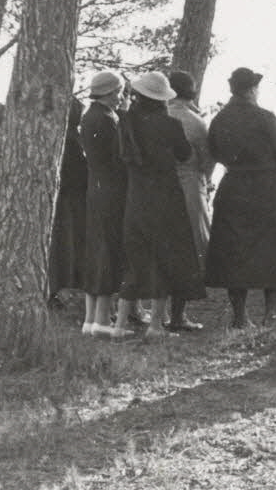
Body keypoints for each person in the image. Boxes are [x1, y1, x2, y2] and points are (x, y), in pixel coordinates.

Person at [205, 67, 276, 328]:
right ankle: (271, 314)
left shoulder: (219, 119)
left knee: (235, 250)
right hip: (266, 187)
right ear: (251, 90)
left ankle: (240, 316)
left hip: (233, 185)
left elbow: (213, 150)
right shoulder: (265, 117)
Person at [115, 72, 207, 337]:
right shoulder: (170, 125)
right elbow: (184, 154)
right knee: (165, 258)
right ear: (161, 98)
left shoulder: (126, 122)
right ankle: (156, 325)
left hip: (135, 196)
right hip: (166, 196)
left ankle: (120, 325)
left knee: (134, 259)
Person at [80, 72, 130, 336]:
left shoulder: (90, 115)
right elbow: (118, 158)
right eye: (118, 92)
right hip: (111, 191)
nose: (120, 98)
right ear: (110, 93)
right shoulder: (108, 119)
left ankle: (90, 319)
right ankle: (102, 320)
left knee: (97, 250)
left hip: (96, 187)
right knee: (108, 251)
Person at [166, 71, 215, 331]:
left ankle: (153, 311)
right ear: (190, 93)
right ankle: (178, 314)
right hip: (190, 187)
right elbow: (208, 161)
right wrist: (204, 181)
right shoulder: (196, 122)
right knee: (189, 249)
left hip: (161, 188)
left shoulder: (158, 117)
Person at [49, 98, 89, 310]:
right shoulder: (70, 138)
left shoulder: (68, 135)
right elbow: (76, 170)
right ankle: (56, 288)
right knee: (63, 244)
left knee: (65, 244)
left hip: (69, 196)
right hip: (68, 198)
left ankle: (60, 287)